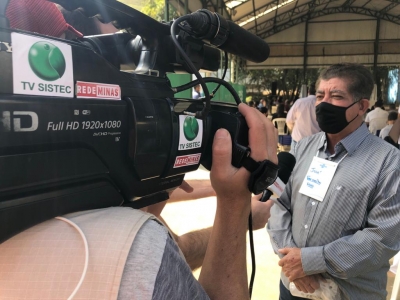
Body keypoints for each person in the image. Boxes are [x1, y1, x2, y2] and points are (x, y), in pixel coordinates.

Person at [0, 104, 278, 299]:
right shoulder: (133, 245)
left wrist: (157, 187)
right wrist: (236, 210)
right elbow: (161, 255)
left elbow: (167, 254)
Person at [267, 63, 400, 300]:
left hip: (349, 293)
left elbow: (382, 238)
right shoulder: (304, 146)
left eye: (336, 96)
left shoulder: (389, 162)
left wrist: (309, 261)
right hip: (292, 287)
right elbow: (280, 205)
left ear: (361, 106)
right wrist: (291, 263)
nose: (324, 103)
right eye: (320, 96)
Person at [285, 84, 320, 153]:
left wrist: (293, 130)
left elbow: (289, 120)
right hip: (315, 141)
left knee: (294, 162)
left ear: (308, 91)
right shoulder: (321, 104)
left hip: (298, 139)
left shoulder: (300, 102)